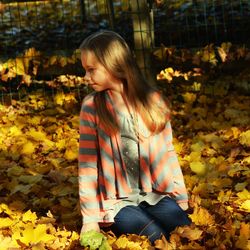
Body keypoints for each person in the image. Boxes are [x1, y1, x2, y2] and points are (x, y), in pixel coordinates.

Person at [78, 30, 190, 243]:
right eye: (85, 70)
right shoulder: (92, 107)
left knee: (183, 231)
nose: (86, 77)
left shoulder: (153, 101)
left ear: (114, 65)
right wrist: (89, 219)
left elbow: (168, 151)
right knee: (156, 237)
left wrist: (181, 197)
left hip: (155, 194)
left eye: (91, 70)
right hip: (117, 203)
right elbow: (88, 167)